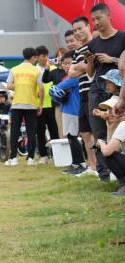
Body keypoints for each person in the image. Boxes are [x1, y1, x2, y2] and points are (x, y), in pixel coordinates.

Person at [84, 3, 125, 181]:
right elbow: (90, 73)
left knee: (117, 127)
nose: (96, 22)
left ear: (109, 16)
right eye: (93, 20)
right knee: (98, 130)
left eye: (98, 18)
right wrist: (90, 61)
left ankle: (119, 172)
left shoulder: (123, 38)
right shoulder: (92, 44)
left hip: (118, 89)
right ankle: (103, 174)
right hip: (97, 89)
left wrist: (112, 59)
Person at [68, 16, 97, 176]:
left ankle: (101, 167)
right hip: (82, 93)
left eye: (80, 29)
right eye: (74, 31)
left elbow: (95, 68)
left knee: (97, 131)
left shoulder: (96, 45)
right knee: (85, 132)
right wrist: (82, 66)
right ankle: (91, 166)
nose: (77, 33)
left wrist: (81, 66)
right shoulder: (78, 51)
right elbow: (71, 73)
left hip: (95, 92)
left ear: (88, 26)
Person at [5, 47, 44, 166]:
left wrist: (18, 87)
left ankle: (13, 158)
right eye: (35, 58)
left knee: (14, 131)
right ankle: (31, 158)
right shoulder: (37, 70)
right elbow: (41, 88)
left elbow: (8, 86)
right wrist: (40, 104)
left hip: (17, 104)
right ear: (33, 57)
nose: (36, 60)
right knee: (31, 132)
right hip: (31, 105)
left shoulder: (14, 69)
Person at [52, 52, 87, 175]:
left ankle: (79, 163)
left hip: (72, 111)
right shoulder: (69, 77)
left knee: (72, 137)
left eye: (70, 63)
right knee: (71, 137)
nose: (67, 66)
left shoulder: (73, 78)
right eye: (65, 63)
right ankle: (75, 163)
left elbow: (55, 89)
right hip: (68, 110)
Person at [35, 45, 59, 164]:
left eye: (47, 55)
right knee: (40, 131)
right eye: (43, 56)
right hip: (38, 105)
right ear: (37, 57)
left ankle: (56, 155)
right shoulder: (34, 70)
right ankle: (43, 155)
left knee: (54, 130)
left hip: (52, 104)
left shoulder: (54, 68)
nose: (45, 58)